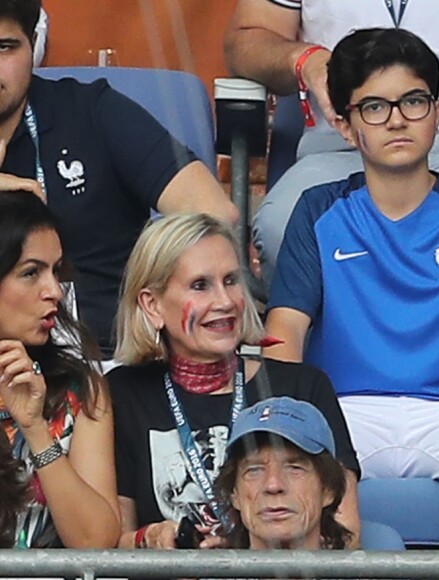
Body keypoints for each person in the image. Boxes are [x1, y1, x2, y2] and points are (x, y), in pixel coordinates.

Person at [264, 27, 439, 550]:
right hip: (344, 407)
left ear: (438, 113)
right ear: (347, 126)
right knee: (285, 488)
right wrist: (293, 424)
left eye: (413, 101)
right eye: (373, 106)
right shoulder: (316, 210)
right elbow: (284, 328)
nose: (396, 119)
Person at [224, 0, 439, 311]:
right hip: (347, 142)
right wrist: (303, 59)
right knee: (282, 229)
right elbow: (248, 39)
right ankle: (327, 384)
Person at [108, 212, 360, 550]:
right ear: (152, 305)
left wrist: (245, 553)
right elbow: (109, 545)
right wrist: (149, 539)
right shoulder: (124, 393)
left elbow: (345, 533)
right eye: (200, 285)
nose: (225, 302)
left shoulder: (303, 387)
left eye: (231, 280)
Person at [0, 0, 237, 357]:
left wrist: (149, 303)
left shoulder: (92, 111)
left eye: (4, 48)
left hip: (108, 359)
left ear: (33, 45)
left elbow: (214, 214)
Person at [0, 191, 120, 548]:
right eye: (31, 273)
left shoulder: (81, 391)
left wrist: (36, 429)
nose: (54, 290)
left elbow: (97, 544)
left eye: (55, 271)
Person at [214, 396, 350, 550]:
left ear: (328, 489)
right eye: (254, 470)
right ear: (234, 495)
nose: (273, 485)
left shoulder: (369, 573)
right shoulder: (201, 573)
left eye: (294, 468)